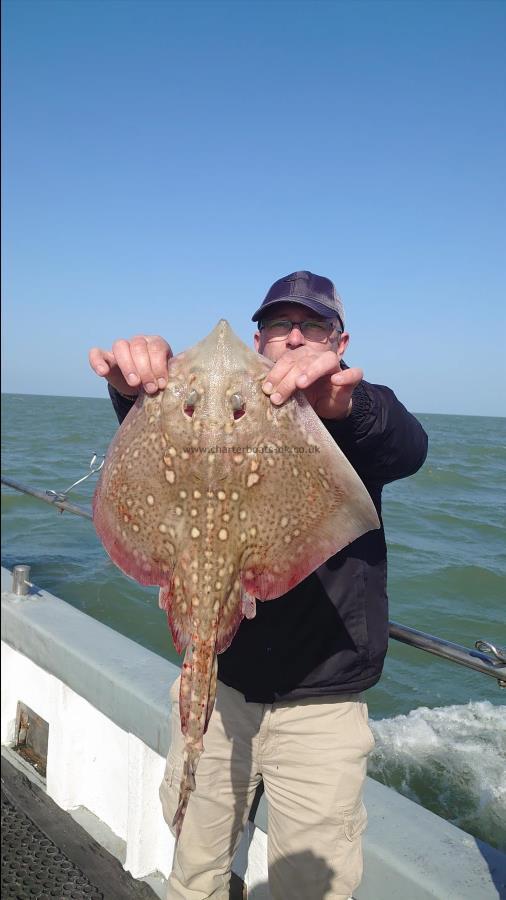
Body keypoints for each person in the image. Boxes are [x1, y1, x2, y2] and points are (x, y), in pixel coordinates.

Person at [89, 271, 428, 900]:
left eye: (313, 325)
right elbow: (156, 444)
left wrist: (344, 407)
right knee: (195, 870)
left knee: (309, 887)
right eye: (279, 325)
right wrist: (136, 391)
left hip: (321, 703)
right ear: (259, 340)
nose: (294, 337)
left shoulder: (351, 412)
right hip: (223, 686)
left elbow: (406, 444)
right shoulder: (201, 403)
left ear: (340, 340)